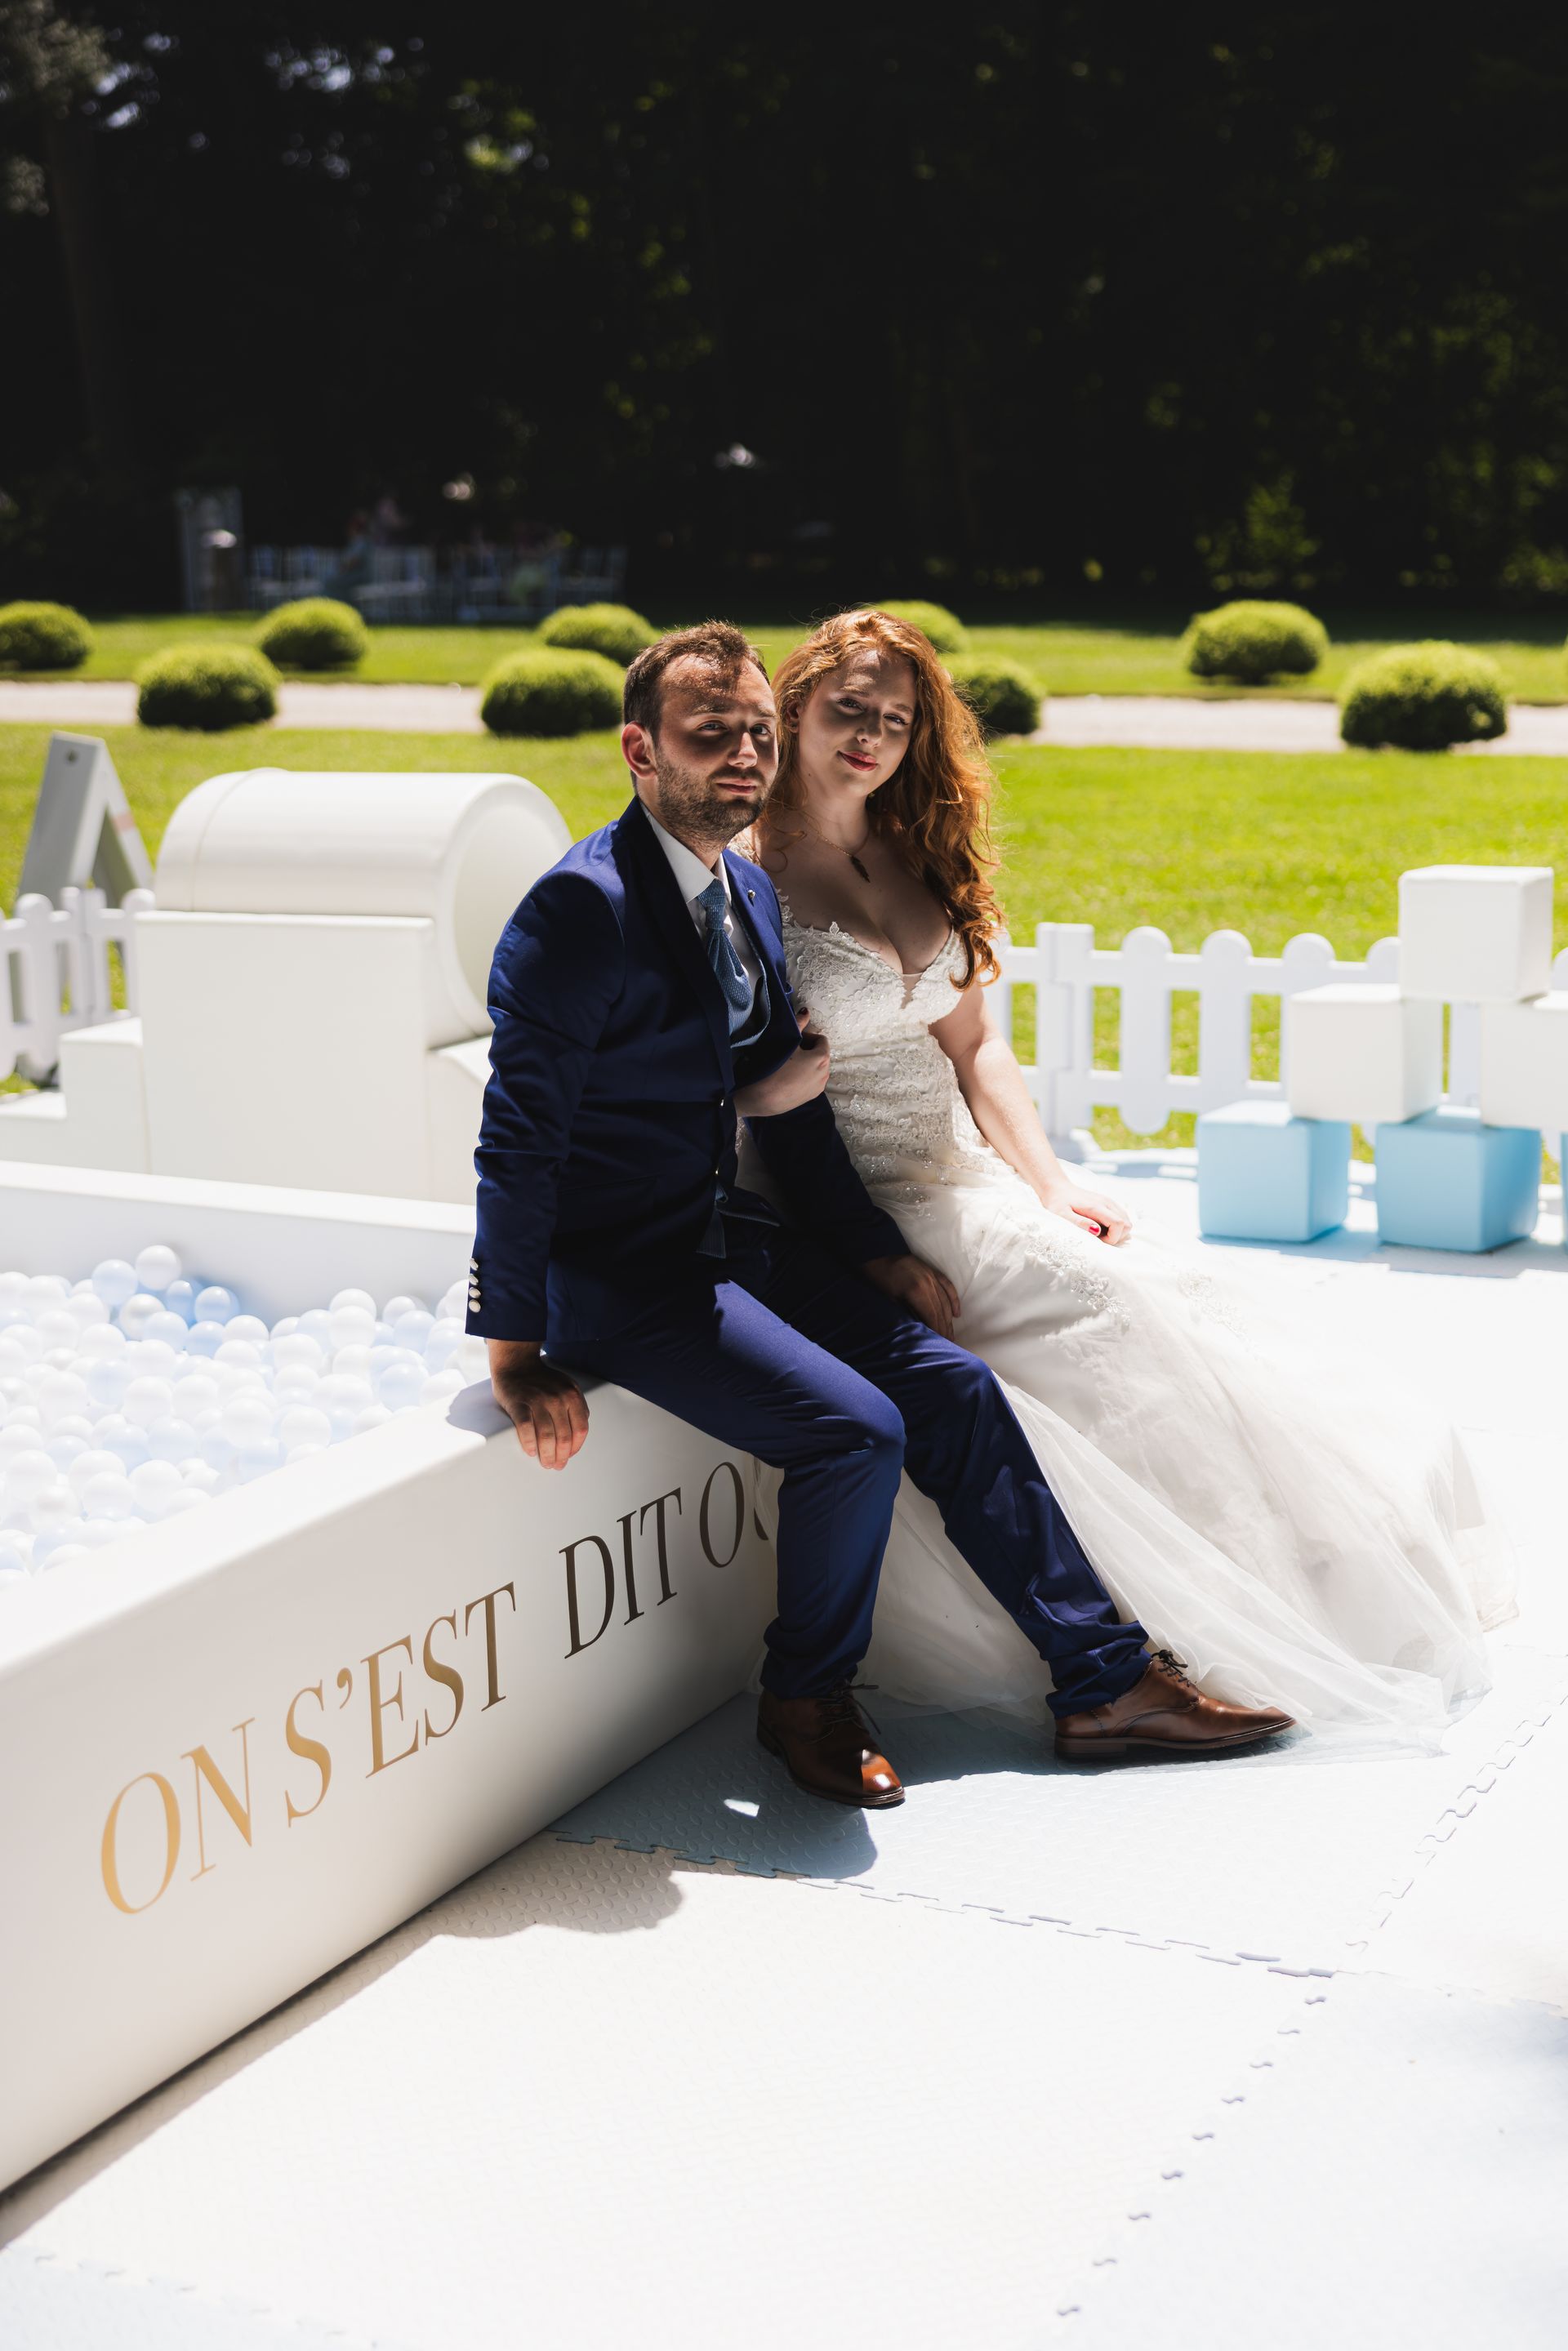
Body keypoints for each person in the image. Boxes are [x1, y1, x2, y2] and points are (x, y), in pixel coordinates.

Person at [468, 622, 1293, 1806]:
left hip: (732, 1241)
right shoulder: (579, 909)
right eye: (711, 733)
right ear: (640, 751)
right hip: (624, 1274)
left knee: (956, 1387)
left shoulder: (744, 887)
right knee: (857, 1433)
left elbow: (794, 1093)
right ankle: (805, 1699)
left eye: (758, 732)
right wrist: (514, 1349)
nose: (745, 755)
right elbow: (518, 1141)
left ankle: (1104, 1683)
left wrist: (872, 1254)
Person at [739, 608, 1513, 1746]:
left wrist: (1049, 1184)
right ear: (797, 703)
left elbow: (976, 1047)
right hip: (854, 1196)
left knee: (1160, 1291)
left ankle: (1280, 1579)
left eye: (895, 720)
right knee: (1095, 1311)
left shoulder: (909, 848)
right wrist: (868, 1249)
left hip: (961, 1172)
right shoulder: (748, 872)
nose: (869, 736)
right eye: (847, 708)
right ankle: (1148, 1640)